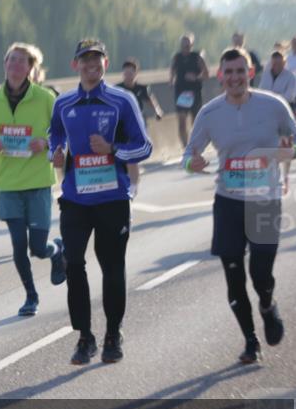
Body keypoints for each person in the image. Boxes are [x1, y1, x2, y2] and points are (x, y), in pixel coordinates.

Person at [183, 47, 296, 363]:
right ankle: (250, 342)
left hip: (265, 200)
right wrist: (191, 163)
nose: (235, 78)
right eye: (229, 72)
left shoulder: (273, 106)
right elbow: (187, 155)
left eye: (241, 71)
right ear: (221, 76)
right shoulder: (209, 113)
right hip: (229, 202)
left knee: (260, 273)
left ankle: (267, 303)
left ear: (250, 73)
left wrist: (294, 150)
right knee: (234, 274)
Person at [49, 39, 153, 365]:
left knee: (111, 267)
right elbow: (55, 133)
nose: (91, 65)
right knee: (73, 263)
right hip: (76, 199)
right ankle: (85, 337)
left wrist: (113, 150)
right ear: (75, 65)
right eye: (85, 60)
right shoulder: (63, 103)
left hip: (112, 198)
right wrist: (57, 149)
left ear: (105, 64)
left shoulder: (121, 100)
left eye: (97, 60)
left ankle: (112, 333)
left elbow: (144, 146)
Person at [0, 42, 65, 317]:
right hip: (9, 184)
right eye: (11, 60)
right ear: (5, 65)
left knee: (37, 247)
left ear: (30, 68)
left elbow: (61, 131)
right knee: (17, 245)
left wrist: (45, 143)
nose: (15, 65)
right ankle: (31, 296)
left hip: (37, 183)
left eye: (21, 61)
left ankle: (56, 251)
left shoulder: (45, 98)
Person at [115, 58, 165, 198]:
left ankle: (134, 185)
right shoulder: (118, 89)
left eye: (131, 73)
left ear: (136, 73)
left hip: (137, 126)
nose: (128, 75)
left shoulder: (141, 89)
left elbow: (151, 101)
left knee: (132, 157)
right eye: (126, 73)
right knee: (121, 157)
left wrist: (157, 111)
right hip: (121, 127)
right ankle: (127, 181)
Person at [169, 33, 210, 148]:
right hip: (181, 93)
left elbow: (207, 75)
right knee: (181, 123)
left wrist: (196, 78)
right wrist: (171, 81)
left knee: (195, 122)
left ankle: (196, 146)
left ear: (192, 45)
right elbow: (172, 71)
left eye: (188, 45)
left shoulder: (197, 57)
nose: (185, 47)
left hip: (195, 92)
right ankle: (185, 148)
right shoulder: (176, 57)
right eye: (183, 45)